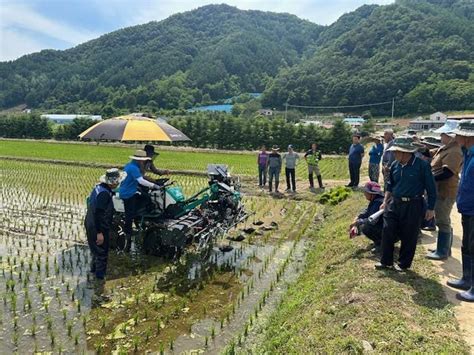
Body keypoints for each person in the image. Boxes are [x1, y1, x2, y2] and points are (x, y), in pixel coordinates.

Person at [376, 138, 436, 271]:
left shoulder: (422, 166)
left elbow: (431, 189)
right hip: (395, 203)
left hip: (413, 204)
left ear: (406, 152)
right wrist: (385, 202)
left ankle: (403, 264)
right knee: (387, 230)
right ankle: (386, 261)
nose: (394, 154)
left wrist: (431, 208)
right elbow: (390, 186)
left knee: (409, 235)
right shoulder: (395, 165)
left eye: (396, 152)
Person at [446, 120, 474, 302]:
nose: (455, 138)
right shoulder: (467, 154)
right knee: (467, 245)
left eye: (458, 135)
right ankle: (467, 279)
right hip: (467, 208)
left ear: (467, 137)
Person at [426, 132, 463, 260]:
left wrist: (429, 179)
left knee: (442, 220)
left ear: (450, 136)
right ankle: (444, 248)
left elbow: (447, 173)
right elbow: (431, 153)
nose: (440, 138)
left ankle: (443, 251)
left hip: (446, 190)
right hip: (441, 189)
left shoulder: (454, 152)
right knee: (442, 219)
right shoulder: (446, 148)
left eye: (443, 135)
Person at [85, 168, 125, 284]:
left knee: (96, 252)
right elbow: (99, 214)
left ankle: (93, 272)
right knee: (102, 254)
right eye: (117, 182)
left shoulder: (99, 188)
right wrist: (99, 233)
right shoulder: (104, 194)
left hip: (90, 222)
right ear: (113, 182)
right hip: (96, 225)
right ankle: (99, 282)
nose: (118, 183)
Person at [119, 150, 161, 250]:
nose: (143, 162)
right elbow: (140, 180)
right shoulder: (133, 168)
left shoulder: (131, 166)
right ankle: (128, 234)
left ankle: (140, 218)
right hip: (128, 193)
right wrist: (154, 185)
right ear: (139, 160)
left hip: (131, 190)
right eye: (142, 160)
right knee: (129, 214)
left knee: (146, 197)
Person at [349, 181, 385, 253]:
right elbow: (367, 211)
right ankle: (380, 241)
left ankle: (382, 244)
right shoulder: (376, 200)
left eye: (366, 192)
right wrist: (358, 217)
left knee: (365, 227)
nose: (364, 194)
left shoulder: (378, 203)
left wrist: (358, 222)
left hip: (390, 232)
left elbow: (372, 220)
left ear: (372, 193)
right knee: (362, 223)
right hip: (387, 230)